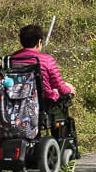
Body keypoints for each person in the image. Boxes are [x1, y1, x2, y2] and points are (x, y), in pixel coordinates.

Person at [12, 23, 77, 156]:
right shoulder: (46, 60)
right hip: (43, 105)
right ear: (39, 42)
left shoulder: (12, 59)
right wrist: (69, 88)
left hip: (15, 105)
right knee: (64, 101)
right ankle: (62, 147)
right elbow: (60, 87)